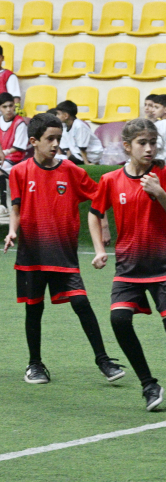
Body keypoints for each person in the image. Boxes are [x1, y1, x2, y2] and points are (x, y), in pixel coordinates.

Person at [88, 118, 166, 413]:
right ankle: (148, 384)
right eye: (142, 143)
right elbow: (94, 213)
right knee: (119, 320)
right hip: (128, 268)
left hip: (162, 266)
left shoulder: (165, 175)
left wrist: (159, 192)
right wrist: (98, 249)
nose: (149, 148)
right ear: (127, 146)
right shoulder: (110, 180)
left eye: (153, 143)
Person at [4, 113, 123, 385]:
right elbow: (16, 207)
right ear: (34, 141)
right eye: (50, 139)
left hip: (62, 255)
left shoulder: (71, 171)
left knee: (81, 302)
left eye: (59, 138)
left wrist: (104, 226)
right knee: (34, 310)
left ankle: (103, 360)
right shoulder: (20, 171)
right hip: (31, 255)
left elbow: (99, 197)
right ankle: (35, 364)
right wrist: (12, 230)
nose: (56, 143)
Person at [0, 91, 28, 214]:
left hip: (16, 160)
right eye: (5, 107)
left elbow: (18, 147)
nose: (9, 109)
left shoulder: (20, 123)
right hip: (2, 157)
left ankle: (3, 204)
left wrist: (3, 152)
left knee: (1, 168)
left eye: (11, 106)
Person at [54, 100, 103, 165]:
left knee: (66, 160)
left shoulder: (79, 126)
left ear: (66, 115)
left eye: (58, 114)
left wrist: (86, 163)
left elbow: (82, 148)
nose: (57, 116)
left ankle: (89, 162)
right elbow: (67, 149)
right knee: (56, 158)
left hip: (91, 154)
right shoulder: (64, 126)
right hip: (77, 153)